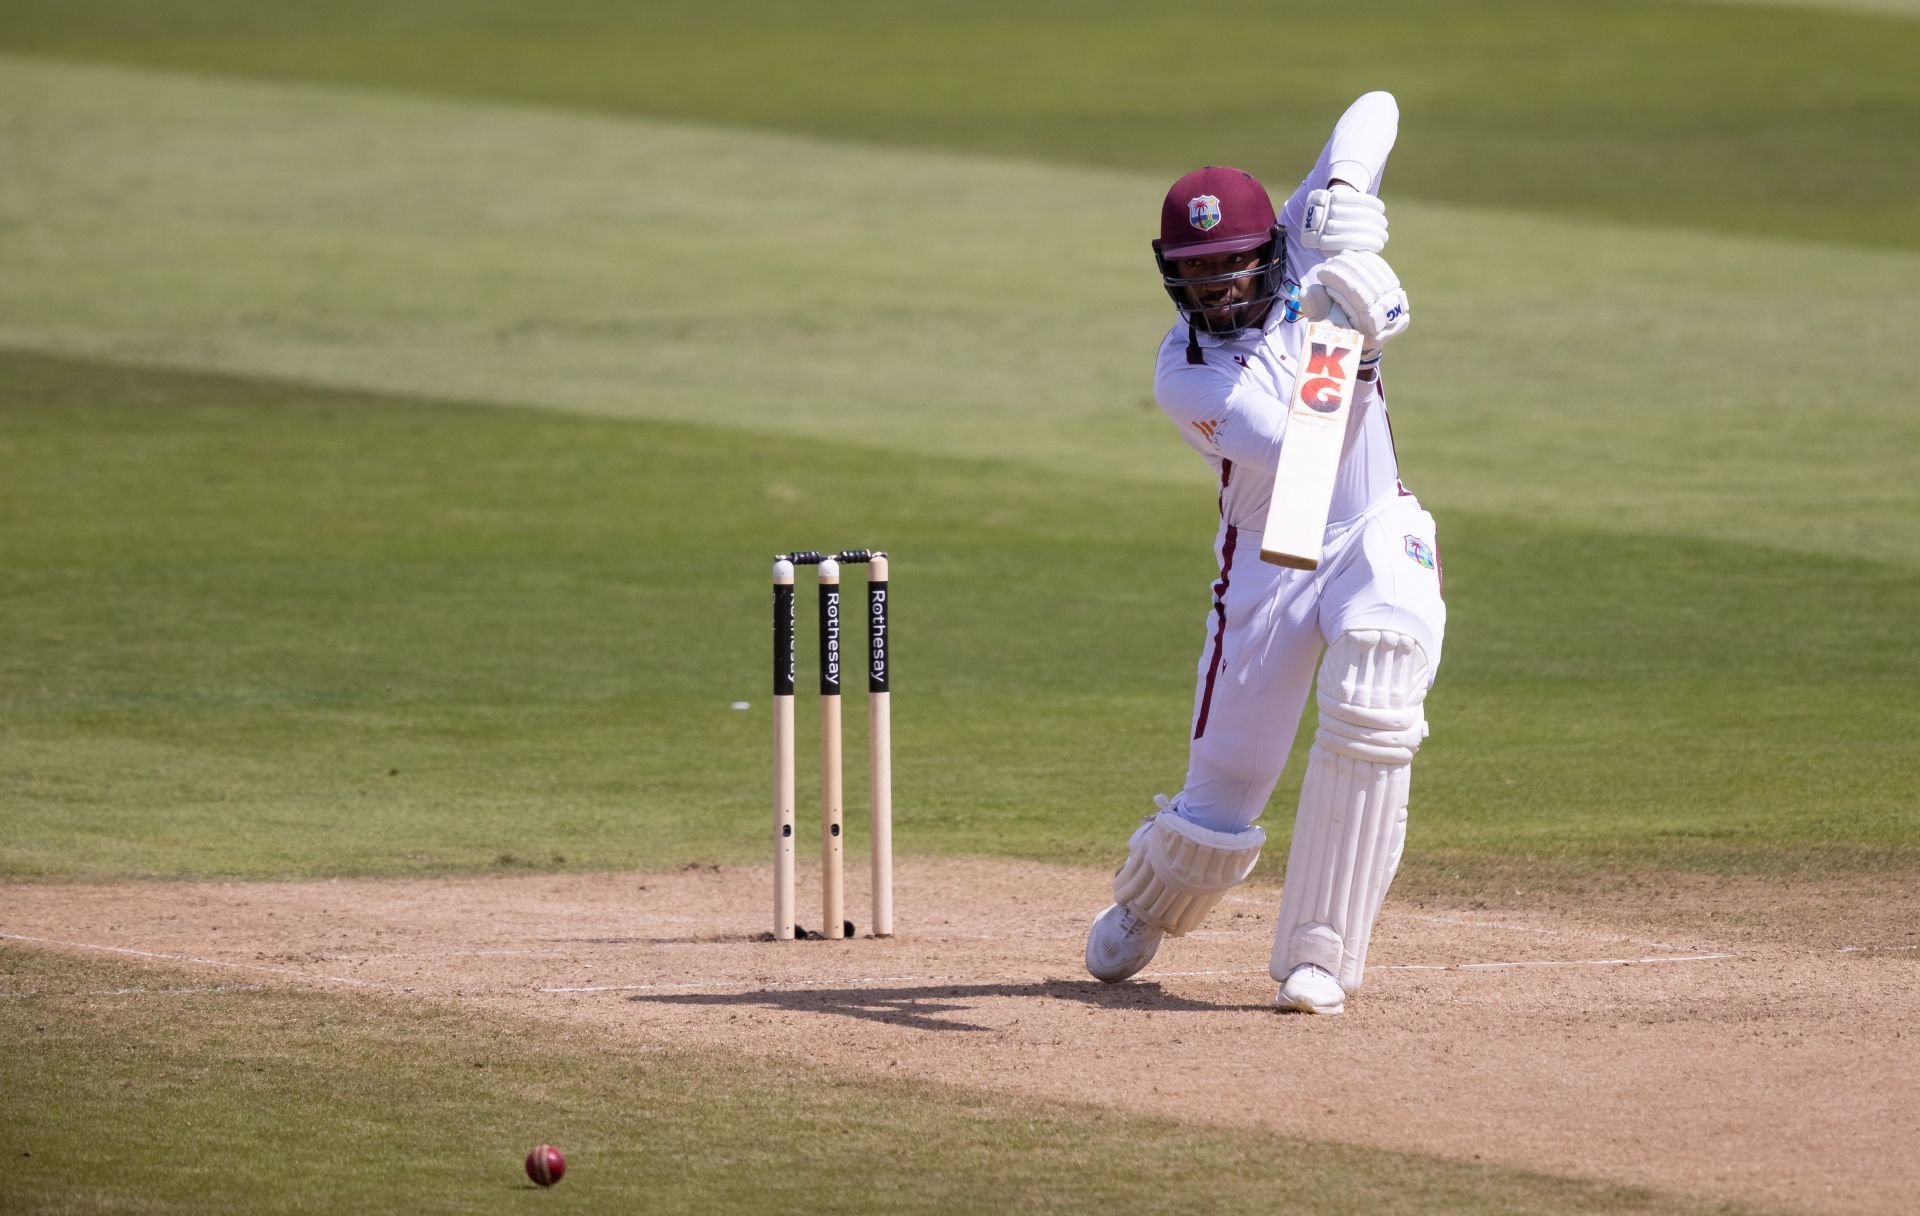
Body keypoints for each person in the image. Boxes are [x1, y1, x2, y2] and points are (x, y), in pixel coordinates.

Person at [1084, 92, 1445, 1015]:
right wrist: (1354, 340)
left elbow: (1376, 106)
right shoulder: (1187, 372)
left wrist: (1350, 199)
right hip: (1271, 555)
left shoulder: (1306, 239)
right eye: (1196, 277)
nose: (1216, 293)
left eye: (1233, 269)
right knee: (1224, 796)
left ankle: (1318, 955)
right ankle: (1150, 903)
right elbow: (1302, 450)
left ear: (1272, 246)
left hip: (1372, 526)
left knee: (1377, 689)